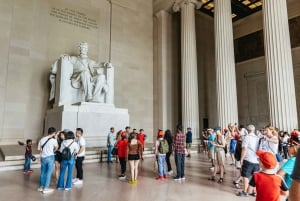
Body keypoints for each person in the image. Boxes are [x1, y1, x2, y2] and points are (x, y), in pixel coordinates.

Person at [237, 124, 260, 197]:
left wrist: (241, 159)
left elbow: (244, 149)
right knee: (255, 176)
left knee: (245, 176)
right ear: (254, 130)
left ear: (247, 130)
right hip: (256, 160)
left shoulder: (246, 137)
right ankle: (254, 191)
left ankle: (245, 192)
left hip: (248, 159)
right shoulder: (257, 138)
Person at [37, 127, 58, 194]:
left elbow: (38, 149)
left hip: (43, 157)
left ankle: (41, 187)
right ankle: (46, 188)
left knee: (43, 172)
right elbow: (56, 147)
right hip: (50, 157)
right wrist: (52, 150)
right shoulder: (54, 140)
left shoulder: (42, 139)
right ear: (54, 133)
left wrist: (44, 151)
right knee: (48, 173)